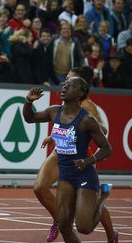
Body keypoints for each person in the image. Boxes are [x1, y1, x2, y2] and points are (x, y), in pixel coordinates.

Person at [33, 66, 118, 242]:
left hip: (80, 156)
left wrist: (88, 126)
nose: (65, 82)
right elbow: (63, 123)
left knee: (88, 207)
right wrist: (53, 134)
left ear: (80, 85)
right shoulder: (64, 102)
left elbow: (102, 128)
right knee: (39, 187)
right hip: (60, 153)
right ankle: (60, 219)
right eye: (66, 79)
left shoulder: (86, 105)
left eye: (70, 79)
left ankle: (111, 234)